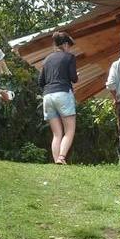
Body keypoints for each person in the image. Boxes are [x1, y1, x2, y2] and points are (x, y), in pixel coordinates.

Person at [39, 31, 78, 164]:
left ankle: (57, 160)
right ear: (66, 44)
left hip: (47, 96)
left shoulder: (47, 60)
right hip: (62, 93)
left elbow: (40, 81)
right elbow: (74, 78)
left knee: (56, 133)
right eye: (69, 46)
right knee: (70, 130)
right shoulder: (69, 57)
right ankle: (61, 157)